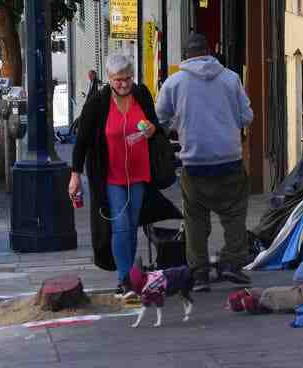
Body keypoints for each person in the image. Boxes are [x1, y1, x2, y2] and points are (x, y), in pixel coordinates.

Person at [156, 33, 254, 291]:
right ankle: (232, 264)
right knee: (234, 214)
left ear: (185, 56)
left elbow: (160, 120)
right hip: (229, 158)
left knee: (195, 219)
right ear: (210, 51)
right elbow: (247, 116)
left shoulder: (174, 83)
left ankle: (199, 273)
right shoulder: (231, 79)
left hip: (194, 162)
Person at [69, 54, 165, 296]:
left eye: (127, 78)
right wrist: (75, 174)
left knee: (132, 225)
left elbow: (154, 124)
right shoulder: (98, 103)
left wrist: (151, 129)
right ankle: (124, 279)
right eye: (118, 80)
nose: (124, 84)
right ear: (109, 79)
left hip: (140, 172)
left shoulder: (141, 94)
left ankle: (130, 274)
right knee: (121, 226)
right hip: (111, 175)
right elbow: (81, 142)